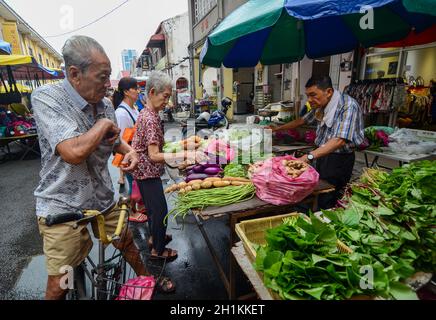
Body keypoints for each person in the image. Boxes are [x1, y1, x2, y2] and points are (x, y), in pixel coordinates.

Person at [31, 36, 173, 299]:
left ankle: (146, 280)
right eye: (102, 76)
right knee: (59, 280)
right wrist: (102, 126)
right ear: (75, 74)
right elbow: (72, 152)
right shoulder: (47, 98)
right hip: (62, 204)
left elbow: (114, 141)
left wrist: (128, 151)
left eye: (109, 76)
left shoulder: (105, 104)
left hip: (101, 197)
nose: (108, 84)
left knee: (127, 243)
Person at [132, 71, 203, 261]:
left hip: (142, 171)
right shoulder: (150, 118)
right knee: (159, 210)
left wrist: (183, 145)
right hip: (147, 172)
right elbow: (154, 155)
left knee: (153, 209)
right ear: (153, 92)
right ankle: (158, 250)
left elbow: (156, 147)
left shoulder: (147, 113)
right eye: (165, 97)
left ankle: (156, 238)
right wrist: (187, 154)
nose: (167, 102)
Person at [271, 76, 364, 210]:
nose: (309, 100)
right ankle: (312, 216)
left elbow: (339, 140)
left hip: (339, 160)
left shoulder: (348, 106)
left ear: (329, 92)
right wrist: (277, 128)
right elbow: (302, 120)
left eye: (313, 95)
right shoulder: (320, 105)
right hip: (321, 155)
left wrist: (308, 156)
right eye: (307, 95)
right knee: (316, 191)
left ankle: (325, 222)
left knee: (329, 196)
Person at [113, 77, 147, 223]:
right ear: (126, 92)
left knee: (137, 185)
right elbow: (120, 140)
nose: (138, 91)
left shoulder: (134, 108)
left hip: (138, 154)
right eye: (135, 88)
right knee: (133, 186)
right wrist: (128, 158)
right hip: (129, 156)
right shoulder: (121, 113)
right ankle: (130, 212)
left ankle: (136, 207)